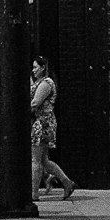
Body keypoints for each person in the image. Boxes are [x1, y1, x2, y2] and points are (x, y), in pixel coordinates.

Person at [30, 56, 75, 200]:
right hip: (41, 122)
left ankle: (34, 193)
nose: (33, 70)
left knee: (35, 160)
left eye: (36, 67)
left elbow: (35, 103)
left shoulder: (46, 83)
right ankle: (67, 182)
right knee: (43, 160)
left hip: (42, 123)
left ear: (43, 68)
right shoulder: (38, 82)